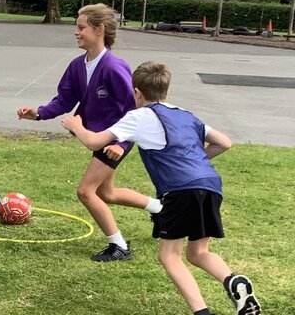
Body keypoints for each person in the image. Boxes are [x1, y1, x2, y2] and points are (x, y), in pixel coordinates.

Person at [62, 61, 261, 315]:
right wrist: (195, 162)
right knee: (198, 252)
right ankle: (233, 280)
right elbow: (224, 143)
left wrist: (77, 126)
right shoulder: (185, 113)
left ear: (136, 92)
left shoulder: (138, 116)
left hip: (179, 190)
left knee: (170, 256)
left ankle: (202, 312)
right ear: (165, 90)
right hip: (211, 185)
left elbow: (94, 142)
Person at [17, 3, 162, 262]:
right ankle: (160, 208)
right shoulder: (76, 66)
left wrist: (122, 143)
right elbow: (63, 100)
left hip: (114, 143)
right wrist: (38, 113)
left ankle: (119, 246)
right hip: (97, 140)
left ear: (99, 29)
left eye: (81, 27)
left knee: (86, 191)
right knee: (106, 193)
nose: (76, 32)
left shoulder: (115, 68)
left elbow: (135, 111)